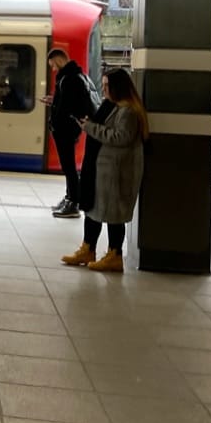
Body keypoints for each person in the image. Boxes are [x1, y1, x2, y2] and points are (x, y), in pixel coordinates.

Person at [61, 68, 148, 273]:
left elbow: (121, 137)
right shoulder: (111, 106)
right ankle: (88, 248)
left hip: (114, 172)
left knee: (113, 214)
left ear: (118, 87)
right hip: (101, 169)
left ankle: (114, 255)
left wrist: (90, 128)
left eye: (108, 85)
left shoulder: (128, 111)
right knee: (93, 209)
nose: (104, 89)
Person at [45, 48, 95, 218]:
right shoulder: (73, 76)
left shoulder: (68, 79)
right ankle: (69, 197)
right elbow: (68, 102)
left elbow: (66, 107)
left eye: (53, 65)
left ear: (59, 60)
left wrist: (55, 119)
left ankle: (73, 202)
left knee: (69, 167)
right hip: (69, 129)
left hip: (65, 129)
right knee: (68, 166)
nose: (53, 69)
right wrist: (54, 101)